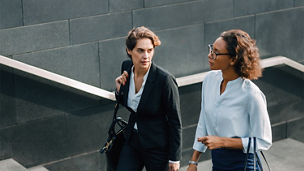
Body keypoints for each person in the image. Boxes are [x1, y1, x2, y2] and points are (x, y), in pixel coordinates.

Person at [187, 29, 272, 171]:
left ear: (233, 59)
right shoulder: (209, 80)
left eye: (216, 52)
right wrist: (193, 161)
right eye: (210, 49)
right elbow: (204, 120)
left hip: (243, 164)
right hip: (218, 162)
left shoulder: (251, 94)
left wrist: (223, 141)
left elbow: (264, 140)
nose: (210, 55)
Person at [115, 26, 182, 171]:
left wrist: (174, 158)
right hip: (133, 141)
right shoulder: (126, 67)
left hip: (157, 147)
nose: (146, 56)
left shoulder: (164, 80)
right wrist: (119, 91)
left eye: (150, 50)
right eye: (140, 50)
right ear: (129, 50)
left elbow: (175, 121)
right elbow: (131, 105)